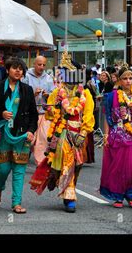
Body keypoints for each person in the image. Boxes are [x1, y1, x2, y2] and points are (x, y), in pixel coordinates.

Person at [29, 53, 95, 213]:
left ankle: (65, 185)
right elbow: (51, 114)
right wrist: (52, 108)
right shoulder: (58, 92)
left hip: (79, 134)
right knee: (68, 162)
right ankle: (69, 196)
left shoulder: (85, 94)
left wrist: (84, 133)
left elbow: (89, 114)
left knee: (77, 165)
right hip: (63, 133)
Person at [0, 57, 37, 214]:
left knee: (19, 170)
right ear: (7, 70)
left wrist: (31, 131)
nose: (18, 70)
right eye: (14, 67)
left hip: (22, 136)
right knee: (4, 170)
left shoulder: (27, 90)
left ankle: (16, 203)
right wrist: (1, 113)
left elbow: (33, 115)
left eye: (21, 68)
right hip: (3, 135)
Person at [100, 65, 132, 208]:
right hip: (118, 136)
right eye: (125, 78)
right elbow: (107, 117)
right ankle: (118, 196)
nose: (128, 81)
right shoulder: (112, 96)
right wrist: (106, 135)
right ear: (119, 80)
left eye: (130, 78)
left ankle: (131, 193)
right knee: (119, 168)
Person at [23, 56, 55, 165]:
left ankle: (41, 163)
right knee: (29, 139)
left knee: (44, 139)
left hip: (44, 113)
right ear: (34, 64)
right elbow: (22, 94)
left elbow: (54, 95)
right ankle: (22, 158)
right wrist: (33, 94)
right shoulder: (26, 76)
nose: (41, 67)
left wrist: (48, 95)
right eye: (39, 64)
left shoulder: (49, 78)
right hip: (29, 113)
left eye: (44, 65)